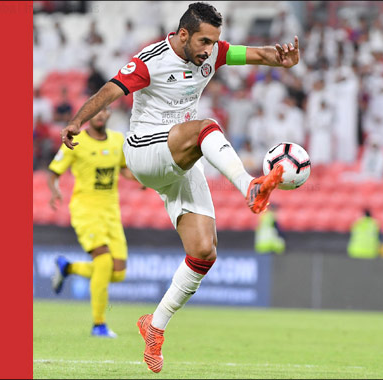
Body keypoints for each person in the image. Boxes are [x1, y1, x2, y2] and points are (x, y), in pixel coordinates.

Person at [59, 2, 299, 373]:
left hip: (179, 155)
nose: (209, 49)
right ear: (182, 34)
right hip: (143, 151)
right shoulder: (150, 60)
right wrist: (77, 121)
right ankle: (249, 185)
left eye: (214, 42)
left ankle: (154, 328)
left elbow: (256, 54)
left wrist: (280, 59)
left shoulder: (213, 52)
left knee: (204, 252)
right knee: (206, 127)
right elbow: (111, 89)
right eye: (203, 40)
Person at [49, 107, 139, 338]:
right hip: (85, 210)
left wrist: (141, 180)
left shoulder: (118, 140)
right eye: (95, 112)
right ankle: (98, 324)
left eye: (104, 111)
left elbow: (123, 169)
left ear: (109, 113)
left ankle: (67, 267)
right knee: (103, 260)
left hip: (111, 213)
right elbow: (54, 172)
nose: (100, 115)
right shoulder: (76, 141)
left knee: (118, 273)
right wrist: (54, 190)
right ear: (89, 116)